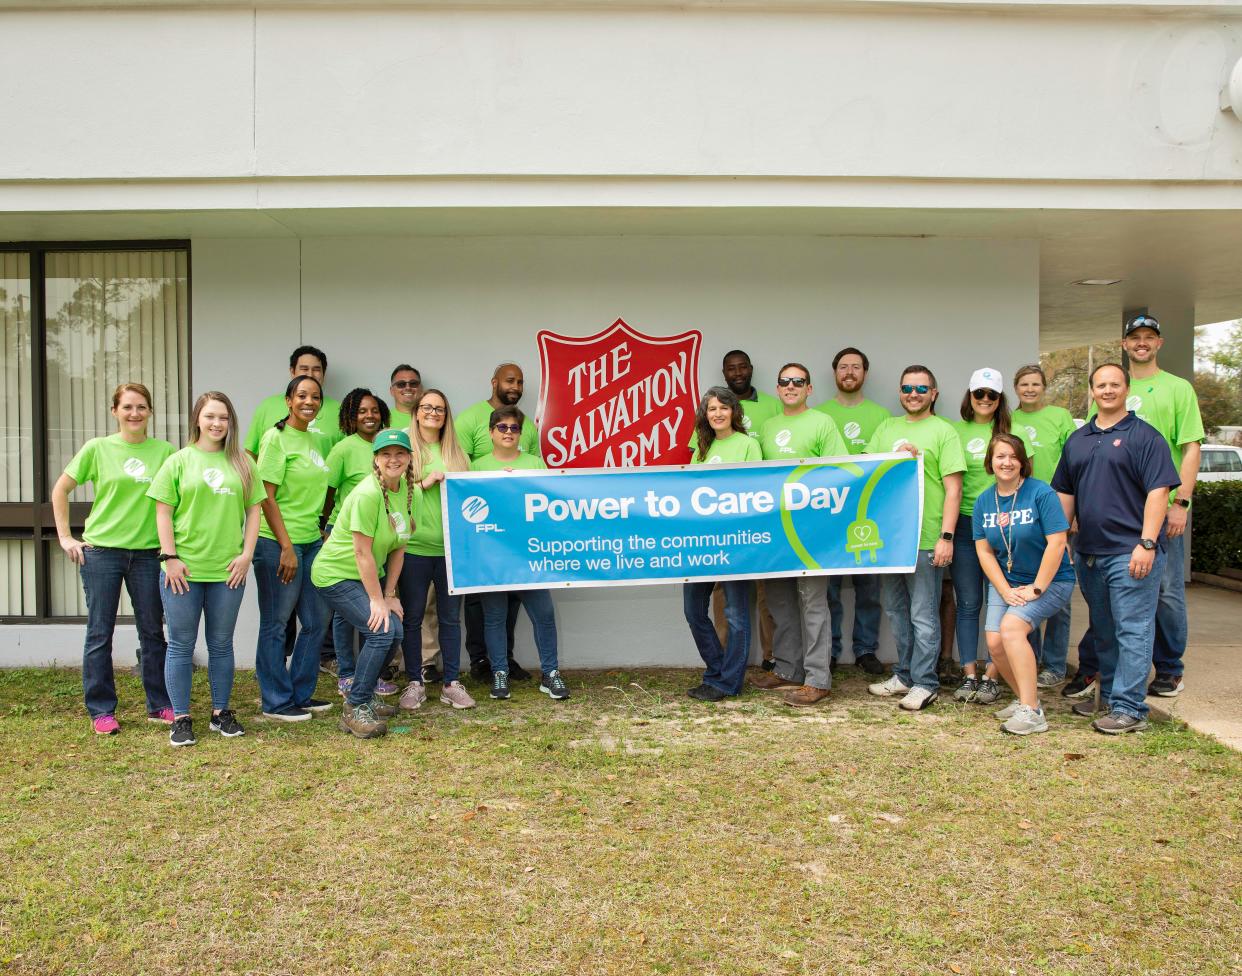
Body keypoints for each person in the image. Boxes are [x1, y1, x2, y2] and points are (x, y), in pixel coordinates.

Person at [1052, 363, 1180, 734]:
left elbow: (1159, 492)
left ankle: (1131, 708)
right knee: (1104, 629)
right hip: (1089, 552)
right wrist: (1061, 541)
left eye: (1114, 384)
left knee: (1133, 630)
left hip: (1131, 552)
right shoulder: (1078, 439)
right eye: (1101, 385)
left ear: (1126, 389)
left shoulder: (1145, 437)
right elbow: (1065, 493)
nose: (1107, 390)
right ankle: (1108, 697)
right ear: (1092, 391)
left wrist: (1147, 542)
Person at [1080, 314, 1202, 699]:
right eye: (1135, 338)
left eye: (1149, 337)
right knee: (1112, 599)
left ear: (1159, 344)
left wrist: (1181, 502)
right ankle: (1109, 673)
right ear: (1125, 344)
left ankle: (1169, 668)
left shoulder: (1177, 388)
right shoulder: (1108, 392)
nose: (1142, 343)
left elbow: (1191, 447)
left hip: (1159, 509)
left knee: (1165, 593)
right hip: (1114, 517)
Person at [52, 383, 175, 735]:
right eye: (127, 407)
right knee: (99, 633)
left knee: (153, 632)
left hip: (150, 555)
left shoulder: (165, 451)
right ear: (115, 411)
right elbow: (60, 489)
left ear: (150, 412)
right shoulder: (98, 448)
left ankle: (160, 704)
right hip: (102, 552)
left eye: (141, 407)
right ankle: (101, 709)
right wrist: (64, 537)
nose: (134, 413)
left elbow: (174, 502)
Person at [148, 392, 263, 746]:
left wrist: (246, 555)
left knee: (221, 644)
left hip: (228, 571)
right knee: (181, 645)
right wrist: (170, 558)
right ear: (198, 418)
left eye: (224, 418)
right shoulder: (178, 461)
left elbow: (255, 511)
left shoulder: (243, 463)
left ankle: (220, 712)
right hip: (183, 571)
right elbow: (163, 512)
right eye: (211, 416)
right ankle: (181, 717)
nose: (217, 424)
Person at [866, 366, 966, 711]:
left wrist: (946, 537)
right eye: (908, 387)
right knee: (896, 611)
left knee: (923, 614)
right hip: (891, 539)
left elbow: (954, 490)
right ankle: (905, 675)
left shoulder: (944, 431)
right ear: (900, 392)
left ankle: (926, 682)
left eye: (921, 388)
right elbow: (867, 472)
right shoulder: (886, 428)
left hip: (926, 537)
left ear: (933, 393)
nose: (914, 393)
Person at [749, 363, 848, 707]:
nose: (790, 386)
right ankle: (788, 669)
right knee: (779, 600)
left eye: (798, 381)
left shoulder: (822, 422)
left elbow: (840, 472)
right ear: (777, 389)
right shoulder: (768, 426)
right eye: (784, 382)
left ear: (809, 388)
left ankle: (818, 678)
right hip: (777, 528)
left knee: (812, 602)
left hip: (812, 528)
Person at [312, 428, 415, 739]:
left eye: (400, 454)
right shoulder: (367, 493)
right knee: (382, 630)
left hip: (364, 575)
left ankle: (365, 694)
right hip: (335, 573)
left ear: (409, 458)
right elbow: (361, 552)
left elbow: (400, 545)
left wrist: (390, 595)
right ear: (376, 459)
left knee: (394, 629)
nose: (393, 459)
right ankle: (355, 707)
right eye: (386, 454)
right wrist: (375, 599)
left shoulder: (410, 492)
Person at [972, 434, 1075, 735]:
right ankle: (1026, 700)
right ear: (990, 462)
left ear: (1023, 462)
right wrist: (1004, 589)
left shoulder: (1040, 493)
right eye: (1000, 456)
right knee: (994, 642)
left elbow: (1057, 543)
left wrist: (1037, 588)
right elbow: (984, 551)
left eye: (1013, 456)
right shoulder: (983, 501)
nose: (1006, 462)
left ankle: (1032, 713)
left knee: (1012, 629)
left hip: (1051, 581)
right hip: (1008, 582)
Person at [471, 406, 571, 703]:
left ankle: (550, 673)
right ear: (491, 432)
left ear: (521, 433)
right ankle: (499, 672)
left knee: (544, 615)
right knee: (495, 617)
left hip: (530, 557)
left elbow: (551, 508)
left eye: (514, 428)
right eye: (502, 428)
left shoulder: (536, 464)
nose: (508, 433)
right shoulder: (475, 467)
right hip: (492, 558)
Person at [949, 367, 1035, 707]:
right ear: (969, 396)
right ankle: (969, 673)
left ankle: (993, 677)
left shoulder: (1018, 431)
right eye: (978, 394)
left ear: (1001, 400)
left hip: (1008, 526)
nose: (985, 400)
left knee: (1004, 601)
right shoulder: (953, 431)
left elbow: (1029, 483)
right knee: (968, 603)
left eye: (992, 395)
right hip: (967, 525)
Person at [252, 375, 333, 722]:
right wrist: (285, 545)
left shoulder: (318, 440)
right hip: (277, 543)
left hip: (311, 540)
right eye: (301, 395)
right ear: (288, 400)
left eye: (315, 397)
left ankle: (300, 693)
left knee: (316, 621)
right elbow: (265, 496)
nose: (309, 402)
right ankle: (275, 700)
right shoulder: (276, 438)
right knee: (276, 623)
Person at [456, 363, 540, 682]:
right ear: (494, 382)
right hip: (481, 527)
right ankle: (480, 660)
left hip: (517, 530)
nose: (515, 386)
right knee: (479, 599)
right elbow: (458, 469)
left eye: (520, 381)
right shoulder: (469, 419)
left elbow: (533, 475)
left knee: (513, 598)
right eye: (509, 380)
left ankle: (504, 659)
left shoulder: (526, 426)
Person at [396, 389, 476, 711]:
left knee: (450, 619)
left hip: (449, 549)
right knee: (413, 618)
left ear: (446, 415)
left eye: (440, 408)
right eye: (427, 407)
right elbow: (390, 489)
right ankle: (414, 682)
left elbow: (473, 498)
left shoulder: (458, 453)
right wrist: (424, 483)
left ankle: (451, 683)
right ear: (416, 412)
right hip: (413, 547)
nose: (433, 413)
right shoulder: (404, 448)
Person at [814, 347, 890, 675]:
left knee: (868, 586)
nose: (849, 372)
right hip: (830, 516)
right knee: (828, 588)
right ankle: (829, 650)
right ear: (834, 373)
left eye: (855, 367)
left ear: (865, 373)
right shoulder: (820, 415)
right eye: (843, 367)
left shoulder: (882, 416)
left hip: (868, 514)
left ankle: (865, 649)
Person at [683, 387, 761, 701]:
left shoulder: (748, 445)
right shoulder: (701, 450)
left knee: (737, 615)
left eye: (723, 408)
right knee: (693, 610)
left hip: (736, 541)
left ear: (734, 412)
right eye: (712, 408)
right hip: (701, 543)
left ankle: (728, 682)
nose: (717, 413)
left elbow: (757, 492)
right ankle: (717, 671)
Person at [324, 389, 398, 698]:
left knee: (376, 612)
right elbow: (327, 494)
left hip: (377, 539)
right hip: (346, 538)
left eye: (374, 410)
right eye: (361, 411)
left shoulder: (391, 451)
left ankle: (371, 675)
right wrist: (325, 530)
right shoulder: (343, 449)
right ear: (350, 417)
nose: (369, 416)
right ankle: (347, 673)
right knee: (346, 615)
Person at [1012, 364, 1077, 690]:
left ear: (1044, 387)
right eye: (1024, 384)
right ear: (1016, 388)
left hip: (1057, 509)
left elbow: (1073, 464)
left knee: (1059, 592)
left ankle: (1054, 664)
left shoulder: (1060, 417)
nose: (1030, 389)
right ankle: (1031, 659)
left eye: (1035, 383)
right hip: (1024, 513)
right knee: (1028, 586)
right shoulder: (1009, 419)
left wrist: (1072, 511)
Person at [714, 349, 779, 669]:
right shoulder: (706, 437)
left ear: (751, 369)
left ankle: (773, 657)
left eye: (742, 367)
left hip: (756, 521)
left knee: (766, 596)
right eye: (731, 368)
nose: (737, 372)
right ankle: (725, 654)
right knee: (723, 596)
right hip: (718, 528)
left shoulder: (772, 406)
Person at [243, 345, 343, 458]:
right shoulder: (267, 406)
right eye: (304, 369)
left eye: (316, 369)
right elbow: (251, 455)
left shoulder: (340, 410)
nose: (310, 374)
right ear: (292, 371)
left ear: (323, 374)